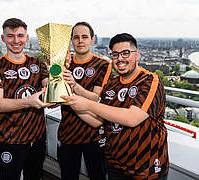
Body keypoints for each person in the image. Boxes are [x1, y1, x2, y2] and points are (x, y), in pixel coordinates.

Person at [62, 33, 169, 180]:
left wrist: (87, 104)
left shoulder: (150, 80)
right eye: (115, 54)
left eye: (125, 53)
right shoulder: (111, 85)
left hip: (146, 168)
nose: (120, 59)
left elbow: (132, 118)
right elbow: (97, 121)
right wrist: (70, 100)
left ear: (137, 55)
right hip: (114, 165)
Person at [0, 18, 52, 180]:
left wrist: (54, 93)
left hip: (37, 139)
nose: (16, 41)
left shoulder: (38, 63)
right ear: (3, 38)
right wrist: (28, 101)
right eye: (10, 36)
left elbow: (49, 88)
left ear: (27, 38)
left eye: (20, 36)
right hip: (9, 140)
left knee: (34, 177)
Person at [57, 22, 111, 180]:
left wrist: (75, 86)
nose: (80, 41)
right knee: (68, 176)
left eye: (85, 37)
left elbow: (97, 98)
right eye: (76, 37)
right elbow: (55, 94)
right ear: (71, 41)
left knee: (98, 176)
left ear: (92, 39)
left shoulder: (103, 64)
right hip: (68, 134)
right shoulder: (62, 63)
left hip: (94, 135)